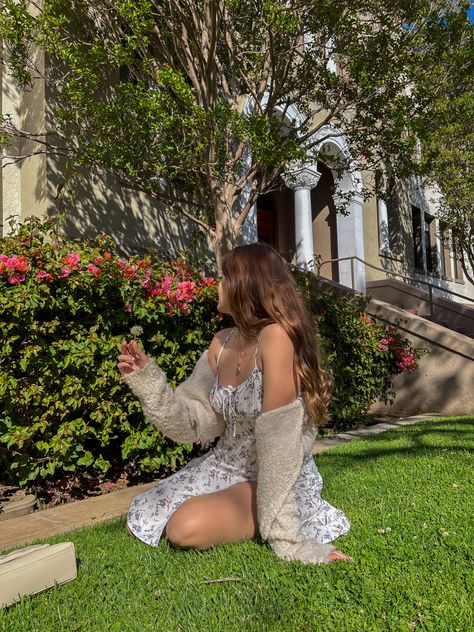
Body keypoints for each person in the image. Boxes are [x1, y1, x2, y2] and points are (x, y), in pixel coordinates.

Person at [118, 243, 351, 564]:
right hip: (224, 466)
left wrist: (289, 540)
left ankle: (263, 517)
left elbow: (279, 443)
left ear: (247, 286)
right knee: (140, 517)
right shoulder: (221, 342)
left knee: (183, 529)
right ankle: (235, 510)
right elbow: (192, 424)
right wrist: (148, 381)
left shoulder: (276, 337)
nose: (218, 284)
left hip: (274, 475)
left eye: (225, 277)